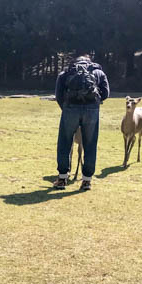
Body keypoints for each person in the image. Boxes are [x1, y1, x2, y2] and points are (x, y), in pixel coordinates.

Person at [53, 55, 110, 191]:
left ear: (75, 61)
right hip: (91, 110)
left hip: (70, 110)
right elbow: (106, 93)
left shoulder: (66, 73)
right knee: (90, 144)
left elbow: (58, 95)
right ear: (90, 62)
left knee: (65, 142)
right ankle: (86, 181)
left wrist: (66, 108)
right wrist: (95, 103)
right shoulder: (99, 73)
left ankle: (62, 179)